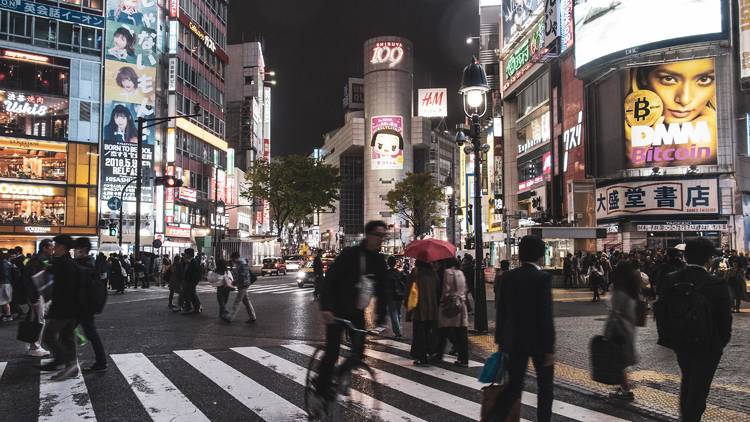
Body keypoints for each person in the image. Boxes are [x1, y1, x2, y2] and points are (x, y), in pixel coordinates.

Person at [656, 238, 732, 422]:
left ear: (686, 256)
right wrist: (718, 343)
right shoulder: (716, 285)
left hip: (680, 342)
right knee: (699, 387)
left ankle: (687, 415)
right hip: (708, 345)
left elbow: (661, 310)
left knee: (688, 379)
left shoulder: (671, 279)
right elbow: (725, 323)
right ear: (709, 259)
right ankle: (691, 418)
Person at [314, 221, 388, 403]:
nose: (380, 239)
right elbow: (329, 280)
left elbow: (384, 290)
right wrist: (326, 308)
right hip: (336, 309)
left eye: (382, 236)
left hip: (356, 313)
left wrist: (381, 316)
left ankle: (339, 375)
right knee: (332, 350)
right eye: (377, 235)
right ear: (368, 235)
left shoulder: (379, 261)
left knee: (358, 353)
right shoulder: (350, 254)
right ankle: (321, 384)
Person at [493, 235, 554, 422]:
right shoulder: (542, 278)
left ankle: (494, 418)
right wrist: (550, 348)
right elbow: (545, 316)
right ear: (540, 255)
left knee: (514, 387)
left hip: (514, 341)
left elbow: (501, 310)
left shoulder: (508, 277)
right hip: (539, 343)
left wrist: (501, 341)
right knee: (545, 388)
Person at [39, 235, 81, 380]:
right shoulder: (65, 262)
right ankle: (66, 364)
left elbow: (65, 290)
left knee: (49, 336)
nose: (53, 248)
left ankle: (64, 361)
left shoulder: (65, 265)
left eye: (55, 245)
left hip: (64, 309)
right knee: (66, 337)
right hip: (71, 308)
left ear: (62, 247)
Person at [605, 261, 642, 401]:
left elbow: (614, 313)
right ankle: (623, 387)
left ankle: (625, 390)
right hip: (628, 327)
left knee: (618, 359)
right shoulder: (632, 288)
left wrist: (607, 332)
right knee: (621, 358)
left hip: (619, 328)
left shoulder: (619, 290)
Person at [73, 238, 107, 373]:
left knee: (65, 331)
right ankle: (101, 361)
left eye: (76, 249)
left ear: (82, 250)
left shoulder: (85, 264)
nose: (74, 251)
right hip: (85, 305)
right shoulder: (88, 262)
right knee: (90, 333)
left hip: (83, 306)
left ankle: (65, 361)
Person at [435, 257, 469, 367]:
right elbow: (464, 290)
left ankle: (438, 355)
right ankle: (464, 359)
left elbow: (445, 290)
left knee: (443, 331)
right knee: (461, 333)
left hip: (449, 305)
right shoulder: (461, 273)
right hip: (461, 305)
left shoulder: (446, 273)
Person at [22, 239, 53, 357]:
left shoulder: (42, 259)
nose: (52, 249)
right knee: (39, 320)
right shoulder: (37, 261)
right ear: (44, 248)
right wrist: (33, 298)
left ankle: (31, 344)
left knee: (35, 319)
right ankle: (35, 346)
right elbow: (31, 281)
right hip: (37, 295)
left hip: (40, 294)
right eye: (51, 247)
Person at [407, 260, 440, 366]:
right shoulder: (433, 273)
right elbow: (438, 288)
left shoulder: (416, 272)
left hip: (419, 308)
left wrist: (408, 307)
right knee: (428, 332)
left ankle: (422, 358)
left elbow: (409, 289)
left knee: (419, 333)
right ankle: (428, 353)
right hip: (432, 307)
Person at [225, 252, 257, 323]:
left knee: (237, 301)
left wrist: (235, 282)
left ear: (235, 257)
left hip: (243, 284)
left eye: (232, 258)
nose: (231, 260)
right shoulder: (241, 263)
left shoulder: (241, 264)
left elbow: (242, 276)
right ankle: (252, 316)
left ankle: (230, 317)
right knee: (246, 301)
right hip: (243, 284)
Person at [384, 255, 406, 338]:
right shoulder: (400, 272)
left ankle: (397, 331)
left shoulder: (387, 273)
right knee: (398, 312)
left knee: (393, 313)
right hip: (399, 295)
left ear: (388, 263)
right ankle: (398, 329)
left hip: (391, 295)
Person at [182, 248, 202, 314]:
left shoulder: (194, 262)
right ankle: (190, 307)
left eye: (186, 253)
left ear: (189, 254)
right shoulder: (189, 261)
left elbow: (196, 273)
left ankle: (196, 308)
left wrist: (194, 281)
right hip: (188, 280)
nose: (184, 255)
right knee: (188, 294)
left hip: (191, 281)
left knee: (192, 294)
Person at [0, 251, 12, 321]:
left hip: (3, 284)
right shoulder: (8, 263)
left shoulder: (2, 264)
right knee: (5, 301)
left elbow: (2, 274)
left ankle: (7, 315)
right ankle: (7, 315)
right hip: (8, 283)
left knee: (3, 300)